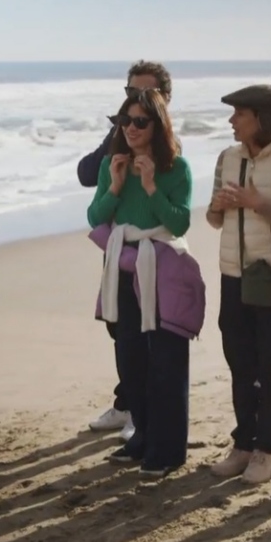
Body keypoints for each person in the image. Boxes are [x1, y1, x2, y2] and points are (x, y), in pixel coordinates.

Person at [86, 88, 201, 478]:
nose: (131, 128)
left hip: (161, 262)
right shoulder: (110, 165)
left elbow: (180, 222)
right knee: (130, 356)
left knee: (166, 359)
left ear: (157, 126)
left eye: (140, 121)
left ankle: (168, 448)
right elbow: (95, 215)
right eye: (125, 120)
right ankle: (144, 435)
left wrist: (151, 185)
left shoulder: (177, 168)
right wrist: (116, 185)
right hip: (122, 263)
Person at [205, 85, 271, 484]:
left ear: (262, 119)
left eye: (240, 114)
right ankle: (242, 444)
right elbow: (214, 221)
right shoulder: (227, 157)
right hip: (232, 275)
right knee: (239, 362)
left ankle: (267, 449)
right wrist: (218, 207)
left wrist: (259, 205)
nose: (232, 121)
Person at [79, 60, 174, 443]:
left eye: (143, 95)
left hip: (155, 252)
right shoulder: (123, 134)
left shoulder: (167, 146)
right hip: (118, 249)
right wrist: (119, 134)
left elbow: (177, 212)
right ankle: (128, 400)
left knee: (148, 331)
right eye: (129, 94)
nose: (134, 105)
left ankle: (141, 409)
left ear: (164, 99)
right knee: (120, 328)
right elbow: (87, 174)